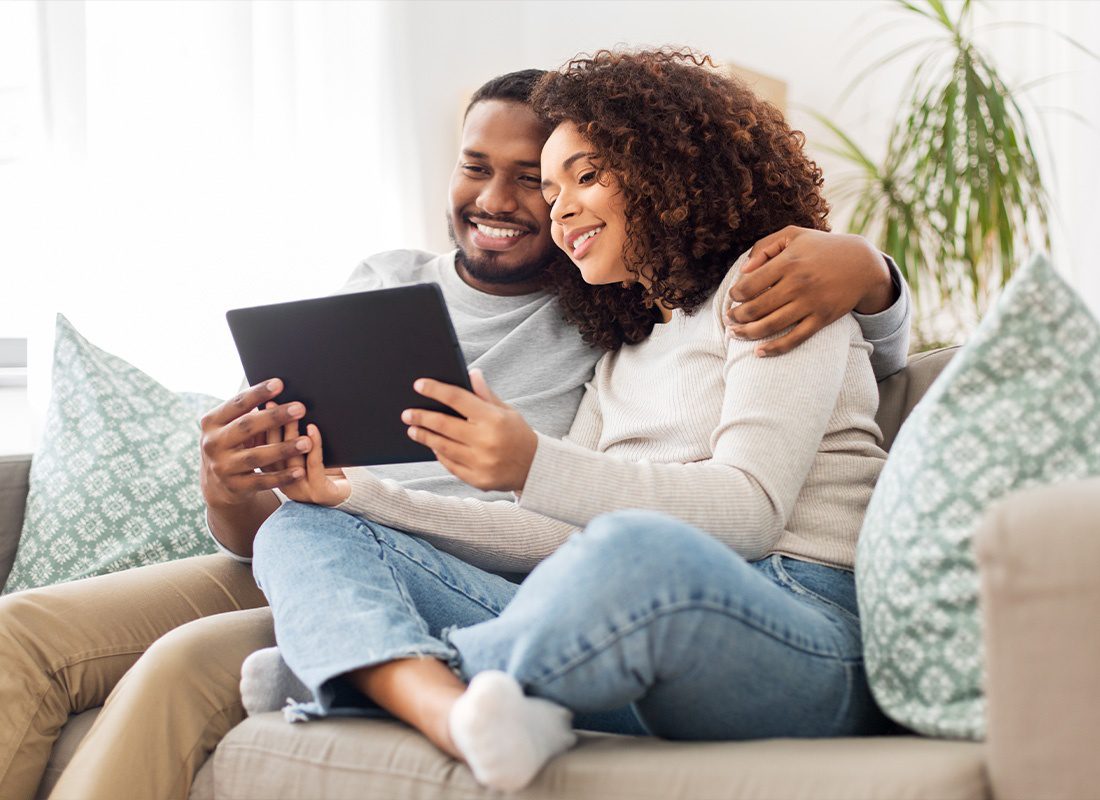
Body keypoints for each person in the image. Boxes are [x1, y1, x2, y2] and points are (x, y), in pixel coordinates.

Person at [0, 68, 908, 800]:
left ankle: (361, 676)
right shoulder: (627, 345)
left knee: (633, 548)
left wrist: (872, 269)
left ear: (671, 169)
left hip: (789, 613)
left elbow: (746, 516)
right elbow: (557, 538)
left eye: (579, 175)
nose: (550, 207)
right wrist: (350, 494)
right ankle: (452, 709)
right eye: (549, 187)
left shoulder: (775, 288)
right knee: (309, 524)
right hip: (611, 616)